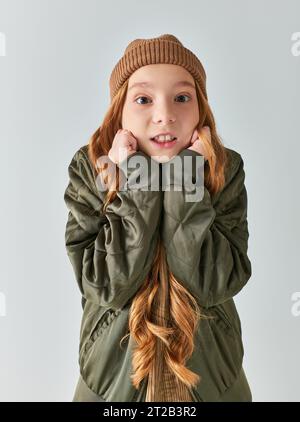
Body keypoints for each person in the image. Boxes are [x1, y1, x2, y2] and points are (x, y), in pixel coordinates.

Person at [64, 34, 253, 402]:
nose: (165, 113)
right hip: (110, 385)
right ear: (120, 110)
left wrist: (186, 180)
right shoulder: (92, 170)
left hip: (214, 383)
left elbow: (213, 282)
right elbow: (106, 285)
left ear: (200, 110)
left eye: (182, 98)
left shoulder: (223, 169)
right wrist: (137, 180)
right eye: (144, 99)